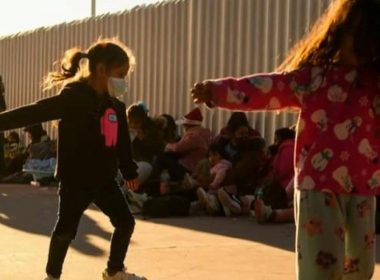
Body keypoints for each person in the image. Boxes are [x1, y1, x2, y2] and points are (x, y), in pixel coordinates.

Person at [191, 0, 380, 278]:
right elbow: (267, 88)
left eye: (372, 41)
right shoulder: (315, 77)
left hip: (364, 187)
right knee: (321, 267)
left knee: (360, 268)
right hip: (319, 186)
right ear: (340, 31)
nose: (363, 48)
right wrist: (217, 91)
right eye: (358, 37)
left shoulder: (374, 82)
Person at [0, 39, 146, 280]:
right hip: (75, 180)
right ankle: (52, 276)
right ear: (100, 70)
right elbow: (33, 112)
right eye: (120, 74)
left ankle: (114, 270)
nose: (123, 82)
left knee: (125, 222)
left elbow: (122, 143)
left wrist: (129, 171)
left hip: (105, 179)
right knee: (66, 230)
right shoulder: (73, 98)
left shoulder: (116, 107)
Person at [195, 141, 232, 215]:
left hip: (222, 190)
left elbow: (221, 175)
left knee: (212, 198)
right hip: (214, 190)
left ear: (222, 155)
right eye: (210, 156)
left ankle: (211, 205)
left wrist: (214, 184)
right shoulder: (214, 167)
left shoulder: (222, 165)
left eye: (215, 155)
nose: (212, 158)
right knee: (209, 196)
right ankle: (207, 204)